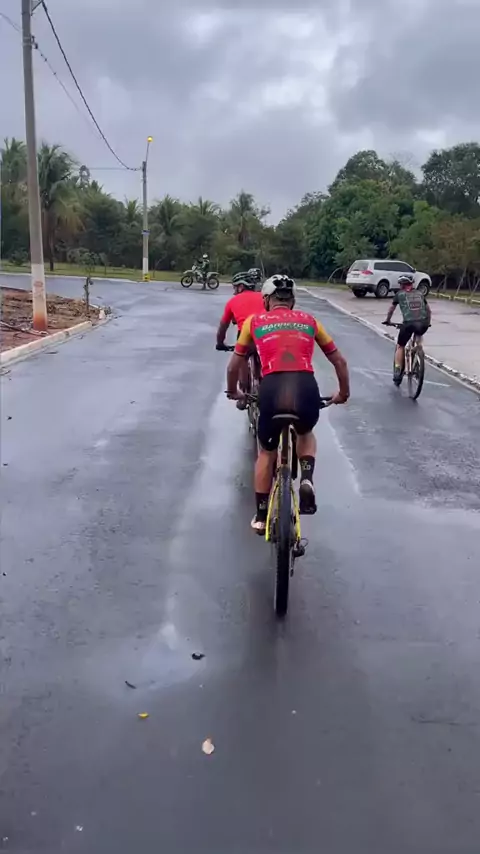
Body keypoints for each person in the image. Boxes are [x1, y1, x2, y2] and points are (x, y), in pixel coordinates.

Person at [226, 274, 350, 533]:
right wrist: (342, 393)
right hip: (305, 387)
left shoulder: (254, 322)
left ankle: (261, 516)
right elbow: (339, 361)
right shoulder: (310, 321)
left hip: (271, 389)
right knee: (305, 432)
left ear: (266, 300)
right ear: (292, 301)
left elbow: (234, 365)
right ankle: (306, 478)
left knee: (266, 452)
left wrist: (234, 391)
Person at [216, 279, 264, 396]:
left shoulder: (233, 301)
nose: (234, 291)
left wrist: (220, 343)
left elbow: (223, 326)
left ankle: (243, 391)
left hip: (247, 335)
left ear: (241, 286)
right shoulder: (264, 297)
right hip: (266, 333)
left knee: (241, 356)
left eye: (235, 288)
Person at [383, 274, 431, 382]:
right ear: (412, 284)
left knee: (400, 346)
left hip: (408, 324)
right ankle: (418, 352)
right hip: (423, 323)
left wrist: (388, 320)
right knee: (418, 333)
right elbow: (428, 310)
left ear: (402, 285)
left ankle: (397, 369)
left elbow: (391, 309)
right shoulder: (420, 293)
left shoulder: (399, 294)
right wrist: (428, 323)